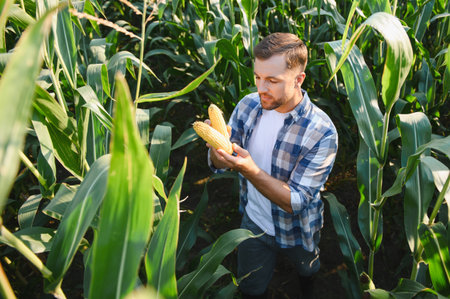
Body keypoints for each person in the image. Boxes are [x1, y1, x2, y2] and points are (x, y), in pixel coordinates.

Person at [206, 32, 338, 299]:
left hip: (299, 230)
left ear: (299, 79)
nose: (261, 88)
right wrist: (216, 154)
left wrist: (248, 169)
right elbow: (220, 162)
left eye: (272, 80)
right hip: (254, 223)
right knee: (251, 289)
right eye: (257, 77)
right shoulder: (248, 106)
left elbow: (295, 201)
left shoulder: (321, 132)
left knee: (307, 271)